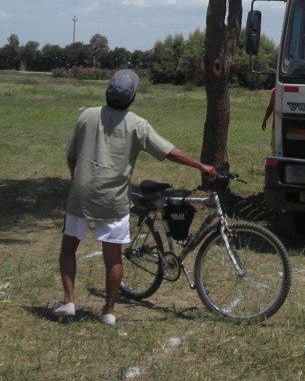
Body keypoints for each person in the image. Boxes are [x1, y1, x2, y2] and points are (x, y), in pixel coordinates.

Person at [52, 69, 217, 326]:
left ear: (107, 92)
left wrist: (77, 181)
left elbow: (71, 155)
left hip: (81, 194)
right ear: (133, 97)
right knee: (113, 256)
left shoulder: (86, 116)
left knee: (69, 247)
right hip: (114, 199)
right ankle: (108, 310)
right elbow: (168, 151)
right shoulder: (137, 124)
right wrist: (201, 166)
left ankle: (68, 300)